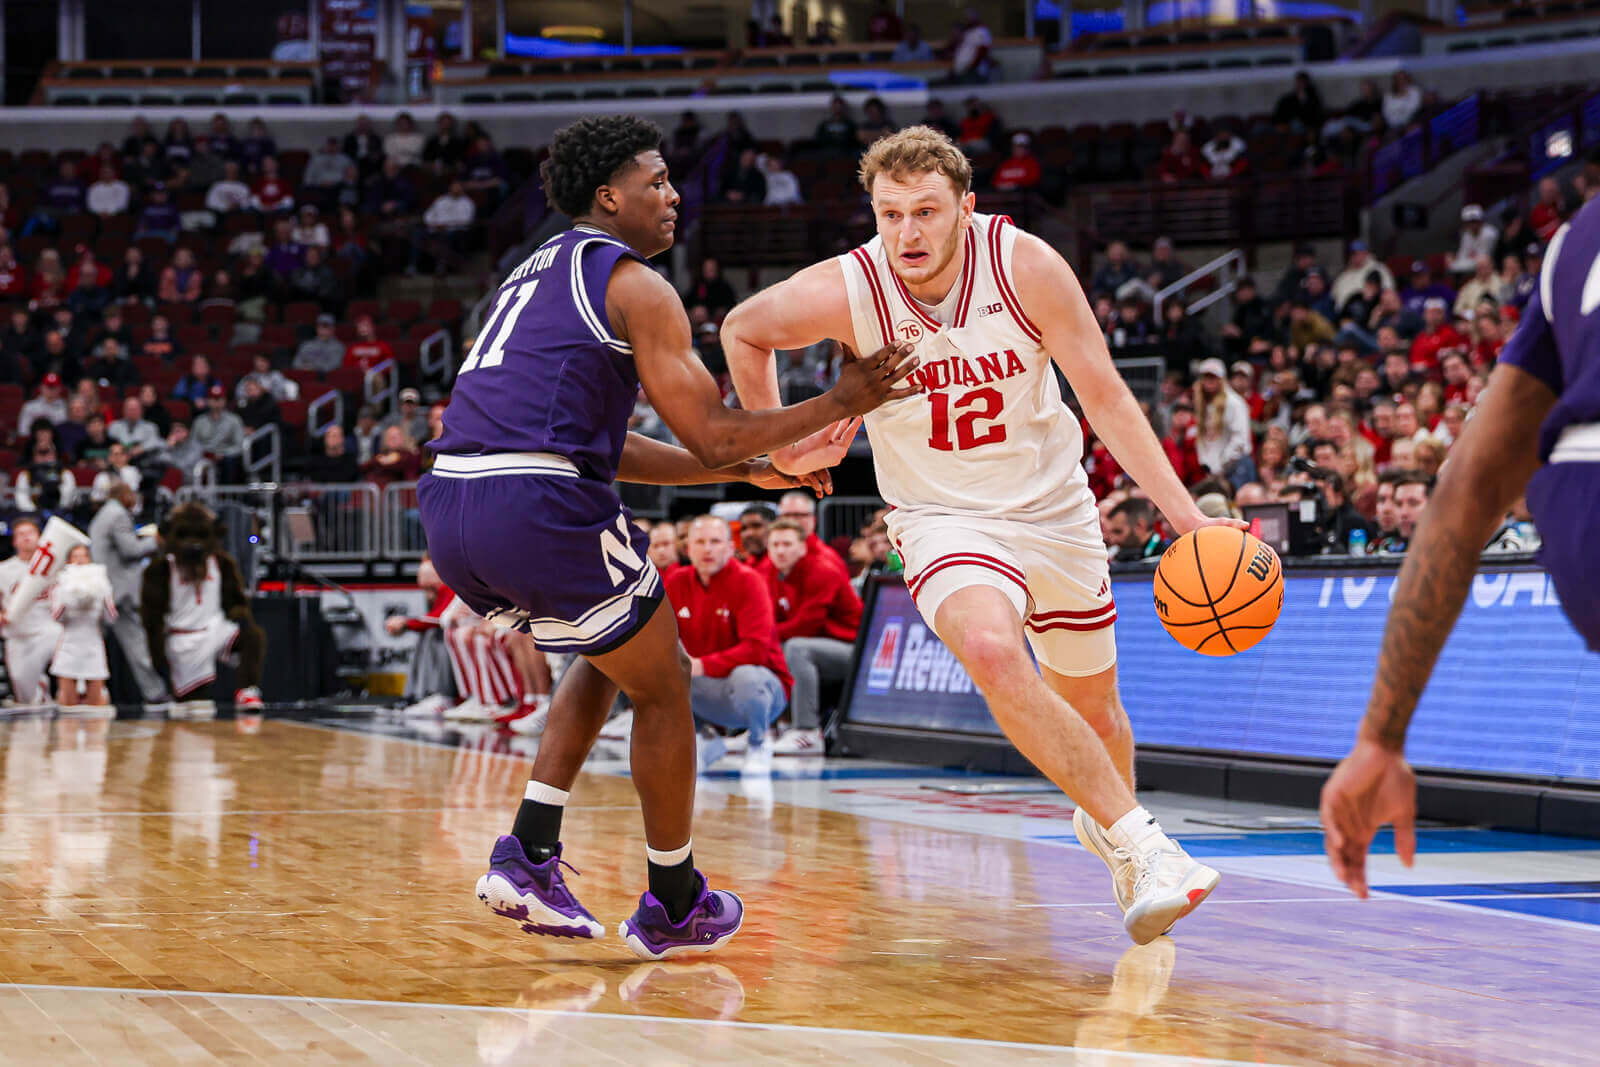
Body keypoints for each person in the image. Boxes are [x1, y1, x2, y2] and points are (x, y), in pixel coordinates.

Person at [720, 124, 1234, 944]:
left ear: (967, 206)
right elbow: (742, 328)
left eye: (925, 212)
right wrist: (782, 444)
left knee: (1096, 706)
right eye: (890, 214)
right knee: (994, 650)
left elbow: (1103, 396)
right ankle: (1143, 843)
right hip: (941, 515)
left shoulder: (1025, 265)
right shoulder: (852, 285)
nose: (907, 234)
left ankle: (1114, 833)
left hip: (1054, 509)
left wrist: (1190, 520)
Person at [415, 115, 914, 959]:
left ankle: (530, 852)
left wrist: (751, 470)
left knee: (613, 652)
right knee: (665, 679)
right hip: (537, 503)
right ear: (609, 196)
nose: (674, 194)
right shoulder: (635, 284)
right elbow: (716, 432)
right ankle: (674, 898)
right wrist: (842, 400)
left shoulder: (526, 275)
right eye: (656, 181)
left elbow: (605, 446)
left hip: (454, 509)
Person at [665, 515, 792, 772]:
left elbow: (755, 650)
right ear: (688, 549)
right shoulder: (676, 581)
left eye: (715, 541)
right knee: (659, 672)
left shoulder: (749, 581)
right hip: (706, 688)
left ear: (730, 548)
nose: (707, 549)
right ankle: (703, 738)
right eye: (700, 542)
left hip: (764, 689)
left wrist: (701, 665)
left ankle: (758, 744)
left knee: (747, 676)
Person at [760, 517, 862, 756]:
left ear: (803, 546)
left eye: (787, 544)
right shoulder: (772, 573)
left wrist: (762, 636)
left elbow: (807, 625)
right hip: (815, 647)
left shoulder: (821, 570)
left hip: (853, 650)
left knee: (794, 647)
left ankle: (807, 731)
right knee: (768, 648)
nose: (780, 550)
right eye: (775, 545)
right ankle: (773, 727)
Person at [89, 481, 168, 707]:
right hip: (118, 594)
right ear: (123, 495)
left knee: (91, 644)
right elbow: (131, 550)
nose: (134, 499)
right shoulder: (117, 515)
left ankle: (82, 693)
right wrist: (155, 541)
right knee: (136, 644)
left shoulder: (104, 514)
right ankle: (154, 694)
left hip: (105, 589)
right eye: (131, 494)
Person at [0, 517, 65, 705]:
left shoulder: (55, 566)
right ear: (14, 541)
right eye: (21, 534)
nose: (26, 538)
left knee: (70, 647)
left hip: (47, 629)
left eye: (30, 533)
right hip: (17, 633)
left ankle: (81, 696)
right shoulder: (3, 569)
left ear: (40, 537)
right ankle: (40, 700)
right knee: (24, 691)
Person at [48, 544, 116, 714]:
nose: (79, 560)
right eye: (75, 556)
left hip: (92, 644)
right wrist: (67, 595)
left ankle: (95, 740)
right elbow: (56, 617)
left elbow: (111, 617)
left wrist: (103, 593)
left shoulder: (102, 583)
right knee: (67, 704)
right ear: (69, 561)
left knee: (95, 705)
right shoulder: (58, 586)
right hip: (69, 645)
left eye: (84, 556)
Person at [1104, 497, 1165, 561]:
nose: (1113, 539)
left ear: (1140, 525)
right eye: (1110, 532)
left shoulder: (1163, 557)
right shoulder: (1119, 555)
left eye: (1118, 531)